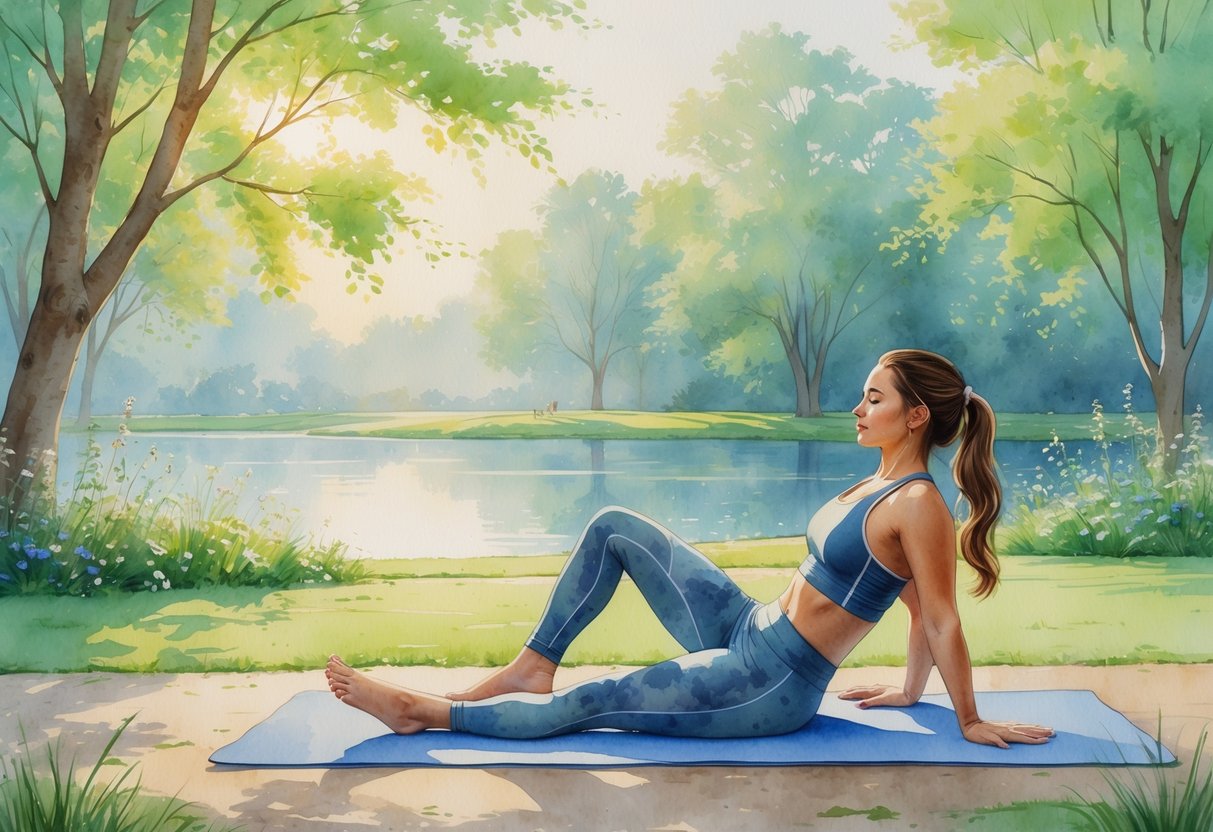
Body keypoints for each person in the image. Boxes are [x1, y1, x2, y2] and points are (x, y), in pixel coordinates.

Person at [326, 349, 1054, 748]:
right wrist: (908, 691)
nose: (857, 408)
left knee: (599, 700)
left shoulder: (920, 504)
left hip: (771, 681)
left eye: (874, 398)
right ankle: (532, 665)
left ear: (917, 415)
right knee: (614, 524)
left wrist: (966, 718)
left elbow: (938, 615)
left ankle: (418, 711)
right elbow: (908, 603)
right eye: (864, 395)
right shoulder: (878, 484)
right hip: (748, 625)